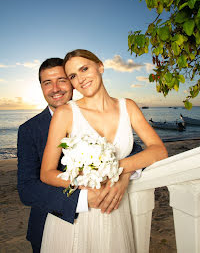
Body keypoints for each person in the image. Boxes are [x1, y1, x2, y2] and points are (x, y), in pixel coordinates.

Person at [40, 49, 168, 253]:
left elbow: (159, 150)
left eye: (84, 69)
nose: (80, 79)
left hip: (115, 212)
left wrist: (117, 170)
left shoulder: (128, 107)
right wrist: (85, 179)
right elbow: (47, 173)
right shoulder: (65, 113)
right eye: (73, 76)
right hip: (79, 213)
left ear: (100, 66)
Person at [17, 57, 142, 253]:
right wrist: (81, 199)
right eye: (47, 82)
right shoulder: (28, 130)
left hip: (102, 221)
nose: (55, 88)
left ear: (73, 82)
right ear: (40, 87)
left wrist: (123, 175)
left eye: (62, 80)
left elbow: (132, 149)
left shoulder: (92, 113)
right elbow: (27, 188)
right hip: (51, 223)